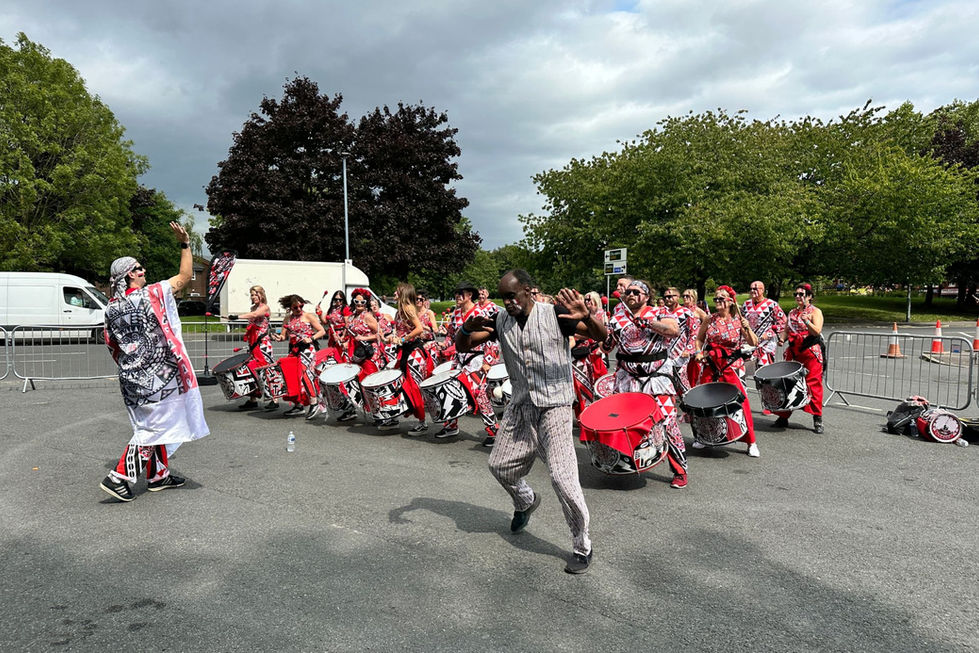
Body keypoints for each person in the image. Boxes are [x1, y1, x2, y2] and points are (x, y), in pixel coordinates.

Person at [457, 269, 606, 574]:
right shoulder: (501, 320)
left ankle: (582, 544)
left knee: (563, 478)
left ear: (528, 291)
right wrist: (464, 329)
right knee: (499, 466)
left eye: (512, 295)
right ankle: (526, 501)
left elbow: (602, 336)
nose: (507, 302)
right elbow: (464, 345)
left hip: (555, 407)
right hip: (521, 405)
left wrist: (588, 317)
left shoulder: (555, 314)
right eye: (503, 297)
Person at [99, 222, 209, 502]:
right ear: (126, 277)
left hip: (132, 377)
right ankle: (119, 477)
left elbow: (111, 344)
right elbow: (186, 276)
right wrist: (185, 244)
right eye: (137, 269)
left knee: (159, 422)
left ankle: (158, 475)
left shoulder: (110, 308)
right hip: (157, 376)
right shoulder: (151, 295)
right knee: (152, 428)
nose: (143, 271)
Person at [603, 279, 688, 488]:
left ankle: (680, 470)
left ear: (646, 296)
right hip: (627, 378)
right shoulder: (618, 316)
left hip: (657, 377)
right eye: (628, 292)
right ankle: (624, 463)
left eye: (636, 292)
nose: (630, 294)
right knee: (623, 424)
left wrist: (649, 323)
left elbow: (673, 330)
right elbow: (607, 347)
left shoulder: (659, 311)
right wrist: (604, 331)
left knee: (667, 423)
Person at [693, 285, 760, 457]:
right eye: (715, 299)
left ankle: (751, 441)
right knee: (705, 401)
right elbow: (699, 339)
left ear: (730, 302)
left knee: (740, 402)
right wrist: (699, 352)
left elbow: (754, 343)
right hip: (711, 364)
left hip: (732, 366)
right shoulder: (710, 319)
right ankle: (703, 436)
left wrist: (748, 328)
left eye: (721, 299)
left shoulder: (739, 321)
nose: (717, 301)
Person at [436, 280, 501, 445]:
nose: (457, 296)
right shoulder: (455, 314)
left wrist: (488, 362)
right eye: (456, 293)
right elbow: (451, 335)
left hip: (478, 357)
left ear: (470, 295)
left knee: (479, 393)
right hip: (459, 358)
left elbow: (492, 339)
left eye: (461, 293)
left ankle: (495, 431)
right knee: (449, 387)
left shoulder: (480, 313)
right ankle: (451, 425)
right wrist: (444, 344)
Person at [775, 283, 825, 433]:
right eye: (796, 294)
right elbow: (786, 329)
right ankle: (783, 417)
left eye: (801, 294)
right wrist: (782, 339)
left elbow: (816, 331)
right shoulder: (792, 312)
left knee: (813, 385)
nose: (798, 297)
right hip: (794, 352)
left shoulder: (815, 312)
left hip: (810, 352)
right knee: (788, 383)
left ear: (809, 296)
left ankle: (817, 418)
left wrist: (807, 321)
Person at [386, 282, 432, 435]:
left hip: (413, 352)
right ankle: (396, 416)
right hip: (405, 351)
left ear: (403, 292)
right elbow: (401, 331)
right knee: (400, 384)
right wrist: (393, 338)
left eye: (397, 291)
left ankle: (422, 422)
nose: (394, 292)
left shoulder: (407, 308)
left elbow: (418, 328)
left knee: (414, 386)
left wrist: (403, 339)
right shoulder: (399, 311)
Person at [273, 294, 325, 417]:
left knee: (305, 373)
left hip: (307, 349)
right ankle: (298, 405)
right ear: (290, 308)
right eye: (296, 307)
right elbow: (283, 336)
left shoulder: (308, 316)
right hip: (294, 349)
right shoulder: (287, 319)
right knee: (292, 376)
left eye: (301, 306)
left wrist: (311, 338)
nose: (299, 309)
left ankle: (314, 402)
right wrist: (278, 337)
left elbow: (322, 331)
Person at [227, 285, 277, 411]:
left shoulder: (264, 307)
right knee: (251, 370)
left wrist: (237, 317)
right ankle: (253, 399)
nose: (254, 297)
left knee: (266, 369)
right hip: (253, 344)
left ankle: (274, 399)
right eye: (252, 295)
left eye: (256, 294)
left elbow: (255, 314)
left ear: (262, 294)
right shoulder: (252, 308)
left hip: (263, 345)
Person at [570, 291, 608, 417]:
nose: (587, 302)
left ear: (596, 301)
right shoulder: (580, 315)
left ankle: (600, 415)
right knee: (583, 389)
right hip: (582, 355)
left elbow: (603, 334)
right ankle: (585, 417)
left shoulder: (600, 314)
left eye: (590, 300)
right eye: (586, 300)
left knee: (601, 387)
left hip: (596, 355)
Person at [660, 286, 700, 399]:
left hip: (680, 353)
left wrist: (689, 349)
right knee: (665, 382)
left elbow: (694, 332)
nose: (668, 299)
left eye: (671, 296)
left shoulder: (687, 313)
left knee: (681, 382)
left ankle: (691, 404)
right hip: (663, 353)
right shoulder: (661, 312)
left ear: (677, 297)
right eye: (666, 297)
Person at [743, 281, 787, 369]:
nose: (752, 291)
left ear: (762, 290)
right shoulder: (746, 304)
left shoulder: (772, 305)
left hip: (765, 344)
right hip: (750, 343)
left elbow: (783, 322)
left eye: (755, 289)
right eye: (751, 289)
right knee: (748, 372)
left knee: (764, 373)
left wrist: (770, 333)